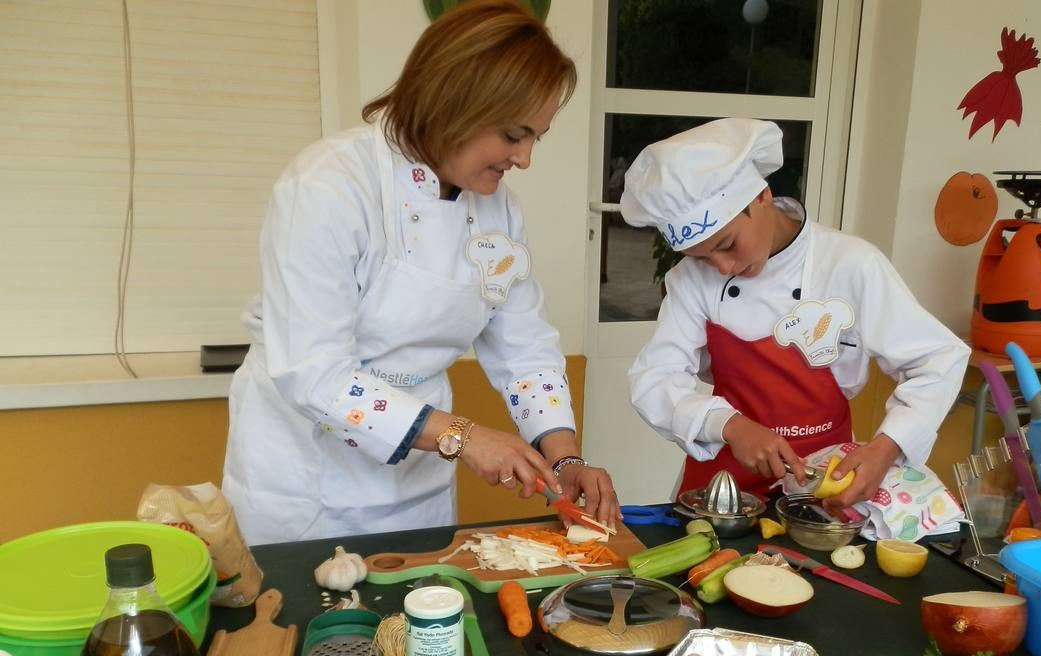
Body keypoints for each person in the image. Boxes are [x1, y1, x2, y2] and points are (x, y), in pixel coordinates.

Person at [223, 0, 617, 545]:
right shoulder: (330, 186)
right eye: (513, 134)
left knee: (419, 617)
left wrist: (565, 455)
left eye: (536, 138)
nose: (524, 159)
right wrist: (463, 434)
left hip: (418, 477)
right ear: (453, 103)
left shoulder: (498, 210)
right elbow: (315, 373)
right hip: (306, 483)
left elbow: (523, 348)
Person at [621, 118, 969, 510]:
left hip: (824, 485)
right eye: (701, 257)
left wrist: (888, 447)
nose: (721, 267)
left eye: (727, 244)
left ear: (762, 196)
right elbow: (655, 379)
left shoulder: (850, 264)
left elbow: (938, 358)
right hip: (724, 491)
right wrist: (730, 425)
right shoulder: (690, 280)